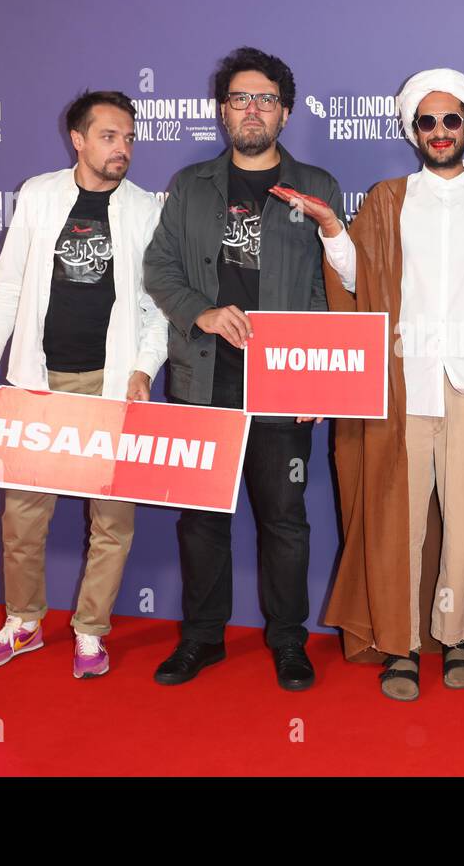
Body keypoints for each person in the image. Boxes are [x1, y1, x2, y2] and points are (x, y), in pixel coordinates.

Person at [277, 68, 464, 701]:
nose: (440, 131)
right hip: (403, 383)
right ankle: (399, 643)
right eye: (427, 121)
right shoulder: (388, 197)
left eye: (451, 119)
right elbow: (356, 279)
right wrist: (331, 229)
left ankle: (455, 635)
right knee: (399, 515)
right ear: (413, 131)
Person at [143, 47, 343, 691]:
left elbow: (327, 288)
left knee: (284, 518)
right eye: (238, 98)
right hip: (205, 379)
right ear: (222, 110)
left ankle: (289, 640)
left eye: (264, 98)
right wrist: (200, 312)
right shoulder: (191, 184)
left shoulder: (317, 187)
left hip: (284, 381)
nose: (251, 109)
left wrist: (315, 375)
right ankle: (202, 639)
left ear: (284, 111)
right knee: (202, 518)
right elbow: (161, 270)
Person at [0, 90, 166, 679]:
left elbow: (157, 305)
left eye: (129, 136)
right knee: (23, 516)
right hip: (37, 380)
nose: (122, 147)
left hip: (110, 381)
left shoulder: (147, 209)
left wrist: (142, 369)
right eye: (109, 136)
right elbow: (6, 283)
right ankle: (23, 623)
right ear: (78, 139)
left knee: (113, 517)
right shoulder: (39, 194)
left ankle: (90, 632)